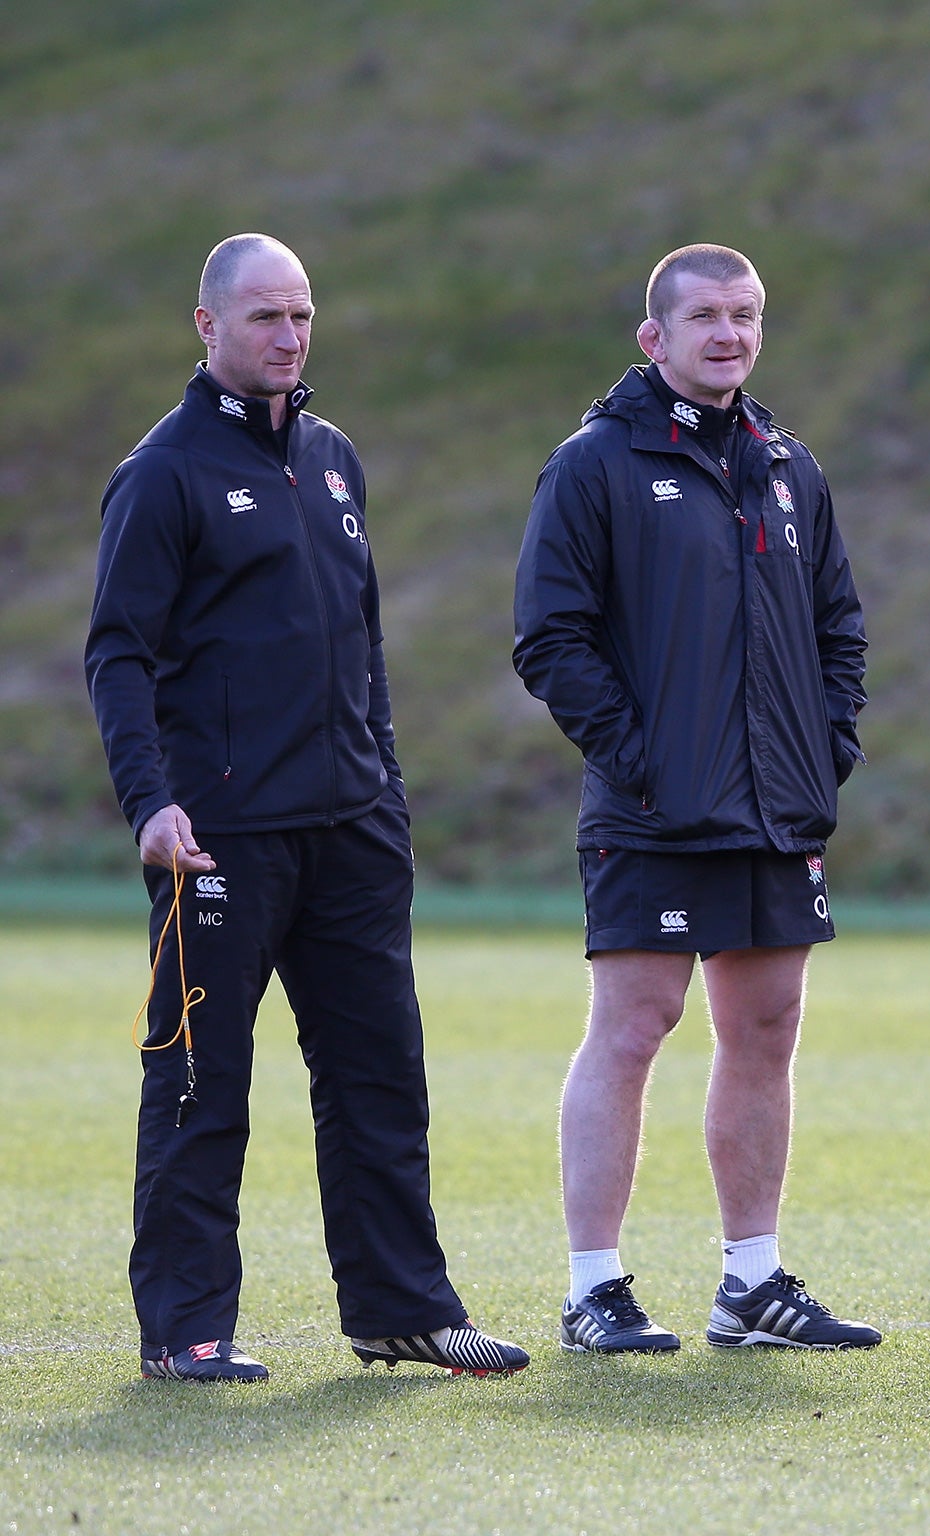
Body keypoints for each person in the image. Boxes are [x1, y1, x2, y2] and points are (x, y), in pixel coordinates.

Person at [84, 234, 528, 1382]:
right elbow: (118, 656)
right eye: (265, 317)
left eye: (302, 316)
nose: (288, 337)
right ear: (208, 327)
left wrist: (381, 779)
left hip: (352, 830)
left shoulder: (332, 459)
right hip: (217, 836)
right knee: (199, 1084)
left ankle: (401, 1313)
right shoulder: (164, 471)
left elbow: (362, 641)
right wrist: (150, 803)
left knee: (382, 1077)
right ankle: (186, 1332)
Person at [514, 243, 877, 1353]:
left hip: (776, 810)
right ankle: (592, 1289)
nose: (729, 333)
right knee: (634, 1028)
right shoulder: (595, 465)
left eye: (746, 315)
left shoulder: (786, 465)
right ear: (653, 337)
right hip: (653, 811)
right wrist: (643, 760)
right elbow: (550, 637)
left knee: (764, 1029)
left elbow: (838, 630)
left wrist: (826, 752)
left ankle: (751, 1283)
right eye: (706, 317)